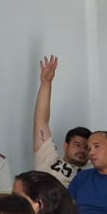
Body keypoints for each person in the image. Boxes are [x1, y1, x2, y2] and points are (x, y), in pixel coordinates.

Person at [31, 54, 90, 187]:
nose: (82, 150)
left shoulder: (94, 170)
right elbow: (41, 122)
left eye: (87, 147)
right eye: (77, 144)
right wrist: (46, 83)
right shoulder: (48, 159)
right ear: (65, 146)